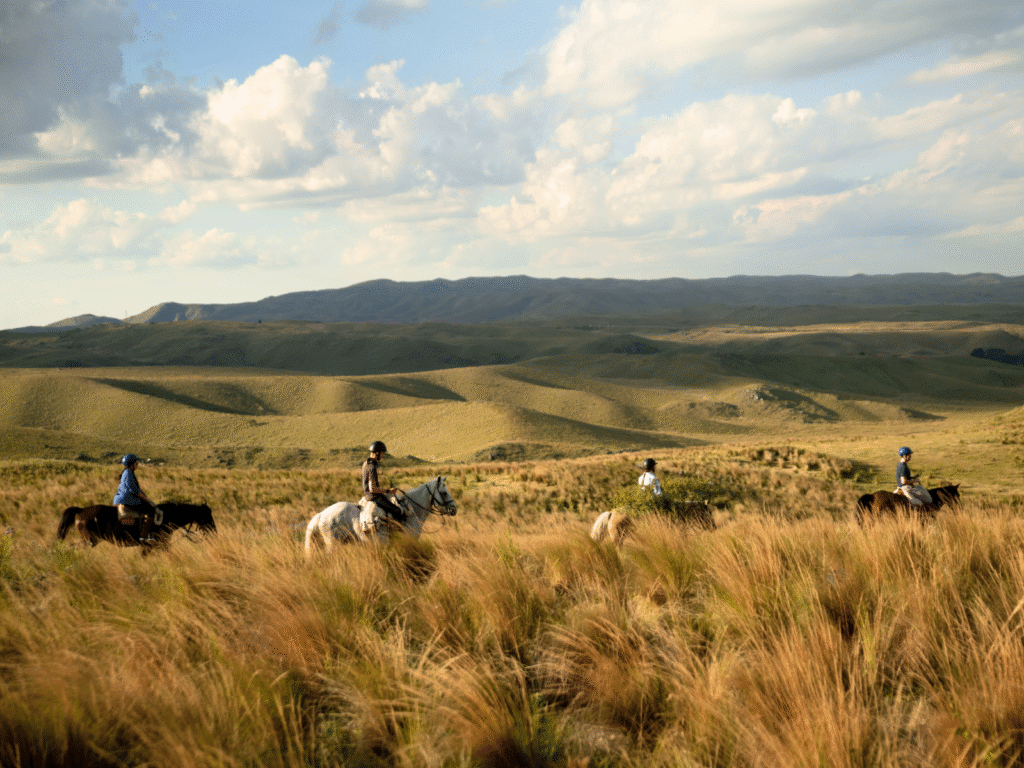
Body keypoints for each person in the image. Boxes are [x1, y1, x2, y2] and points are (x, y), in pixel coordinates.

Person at [360, 441, 406, 528]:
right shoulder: (372, 467)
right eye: (382, 453)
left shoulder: (365, 463)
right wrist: (388, 491)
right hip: (374, 497)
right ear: (377, 453)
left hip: (368, 495)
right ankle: (397, 533)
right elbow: (373, 489)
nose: (383, 455)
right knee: (397, 511)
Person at [113, 454, 158, 542]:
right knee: (151, 511)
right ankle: (144, 536)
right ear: (132, 464)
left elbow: (138, 489)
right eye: (136, 463)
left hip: (127, 498)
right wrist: (147, 500)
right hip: (128, 499)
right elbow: (135, 490)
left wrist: (145, 497)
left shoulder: (128, 472)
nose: (137, 464)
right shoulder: (128, 473)